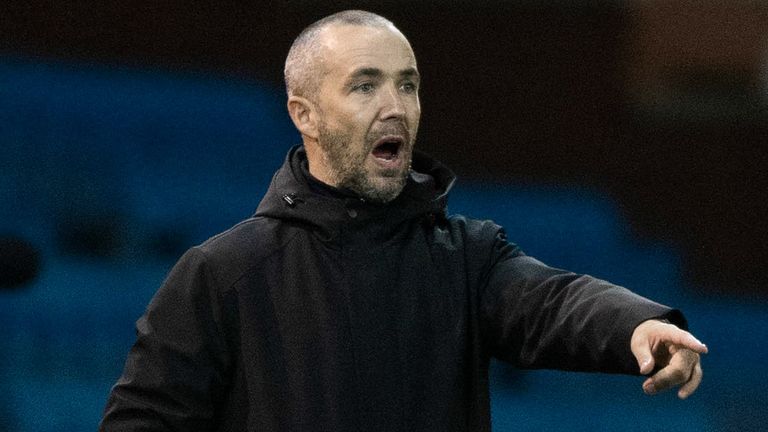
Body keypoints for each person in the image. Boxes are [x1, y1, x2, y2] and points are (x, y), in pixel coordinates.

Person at [100, 10, 707, 432]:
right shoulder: (222, 274)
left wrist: (637, 325)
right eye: (365, 87)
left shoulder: (466, 258)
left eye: (407, 86)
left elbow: (552, 301)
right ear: (304, 114)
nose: (395, 107)